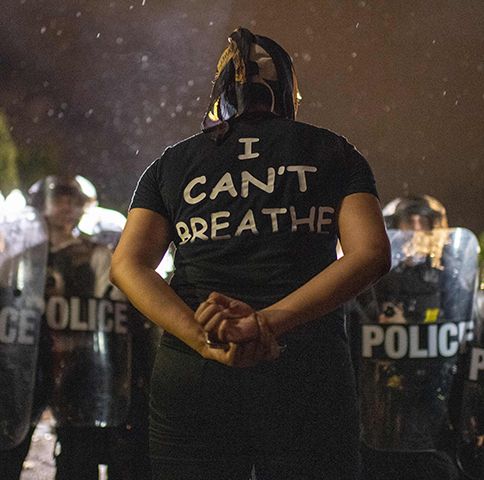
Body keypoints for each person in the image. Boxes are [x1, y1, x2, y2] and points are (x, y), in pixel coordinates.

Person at [111, 27, 390, 480]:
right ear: (285, 90)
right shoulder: (333, 150)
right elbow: (371, 254)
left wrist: (203, 338)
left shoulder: (172, 162)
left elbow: (127, 265)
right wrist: (266, 323)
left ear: (220, 92)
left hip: (194, 369)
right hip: (304, 365)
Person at [1, 175, 151, 480]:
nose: (66, 207)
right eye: (59, 199)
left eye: (73, 201)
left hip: (81, 369)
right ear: (42, 205)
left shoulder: (97, 256)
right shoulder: (23, 260)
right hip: (35, 367)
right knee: (10, 448)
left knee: (77, 458)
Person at [360, 194, 463, 480]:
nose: (416, 229)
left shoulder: (453, 279)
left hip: (435, 397)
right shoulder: (373, 280)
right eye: (408, 222)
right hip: (385, 399)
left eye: (425, 223)